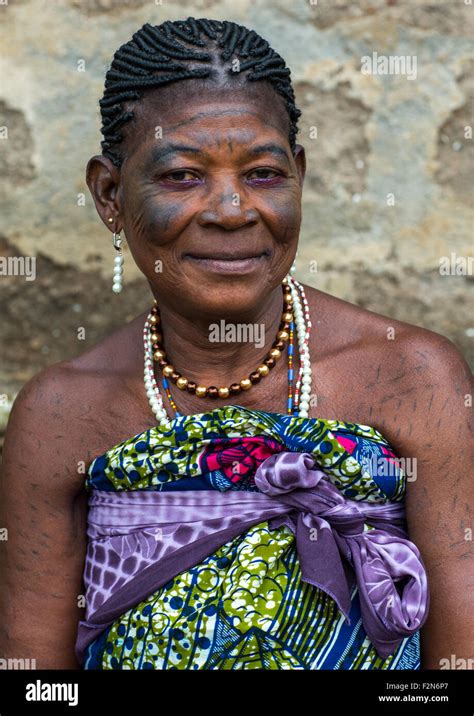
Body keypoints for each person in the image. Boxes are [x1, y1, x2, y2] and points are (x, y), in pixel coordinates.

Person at [0, 17, 472, 671]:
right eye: (183, 176)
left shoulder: (413, 376)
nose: (232, 209)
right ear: (109, 195)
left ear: (299, 177)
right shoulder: (60, 413)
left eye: (264, 174)